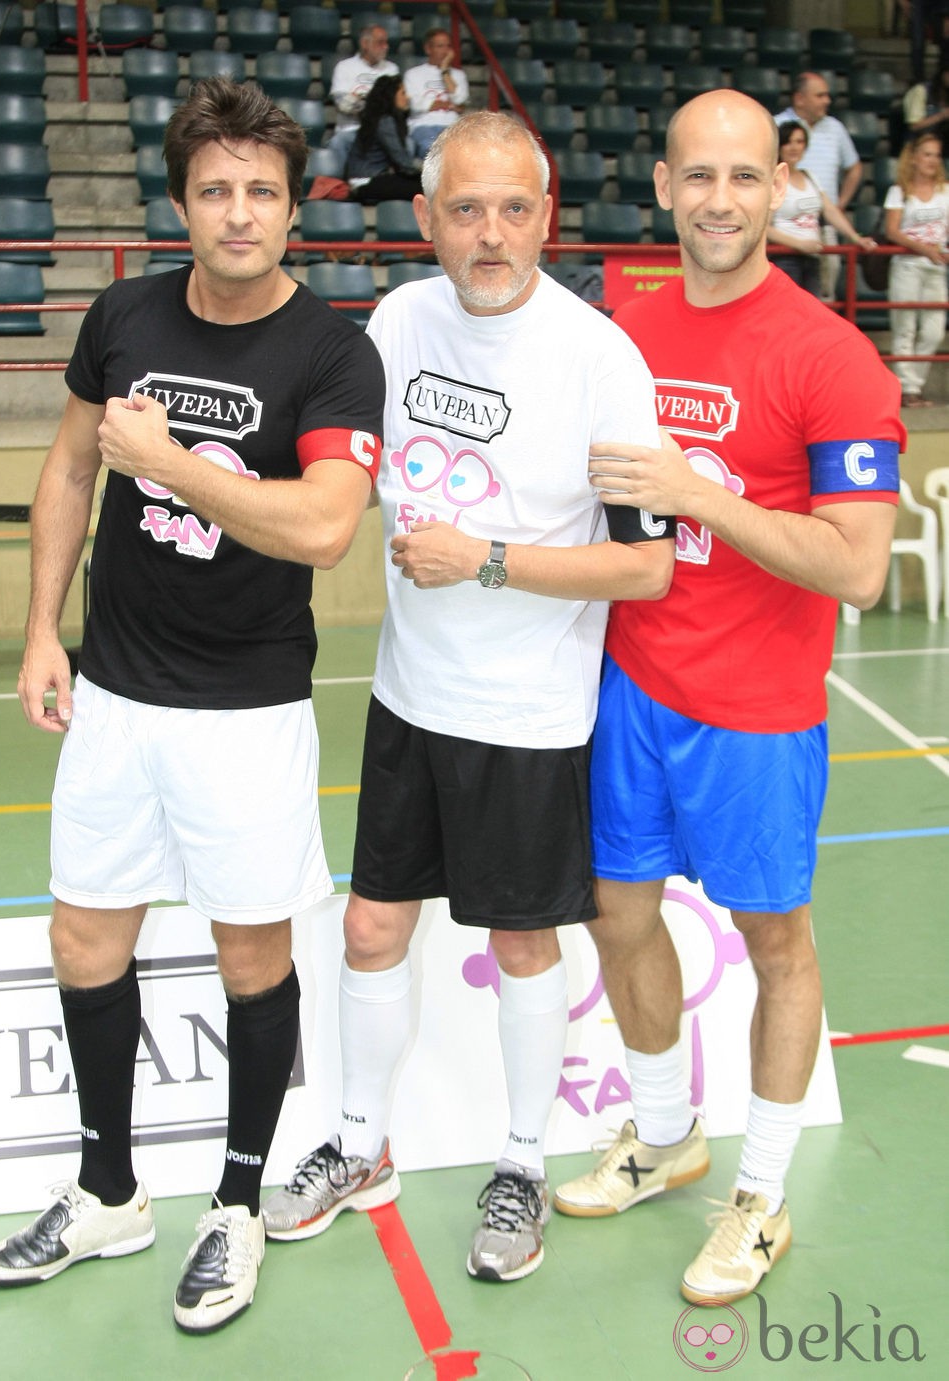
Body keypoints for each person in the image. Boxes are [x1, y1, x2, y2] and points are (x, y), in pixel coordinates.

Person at [0, 78, 385, 1334]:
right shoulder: (124, 312)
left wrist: (171, 471)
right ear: (183, 199)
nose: (239, 212)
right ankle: (108, 1191)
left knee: (248, 958)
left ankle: (239, 1204)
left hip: (246, 713)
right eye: (216, 190)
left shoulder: (329, 350)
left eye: (262, 190)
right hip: (113, 693)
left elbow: (323, 527)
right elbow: (63, 464)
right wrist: (43, 628)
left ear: (293, 203)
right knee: (83, 943)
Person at [263, 111, 675, 1284]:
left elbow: (644, 565)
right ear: (425, 218)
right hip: (409, 694)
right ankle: (356, 1143)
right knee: (368, 925)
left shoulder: (599, 357)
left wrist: (485, 558)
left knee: (519, 939)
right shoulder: (395, 322)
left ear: (546, 215)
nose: (489, 234)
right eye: (463, 209)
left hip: (529, 714)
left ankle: (520, 1161)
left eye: (512, 209)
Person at [553, 90, 905, 1307]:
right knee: (615, 909)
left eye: (744, 178)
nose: (717, 200)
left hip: (755, 709)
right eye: (696, 177)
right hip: (630, 683)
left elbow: (857, 565)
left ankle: (757, 1193)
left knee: (774, 942)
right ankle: (662, 1132)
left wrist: (702, 499)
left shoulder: (828, 355)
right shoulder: (618, 331)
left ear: (780, 189)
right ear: (660, 186)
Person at [775, 72, 863, 299]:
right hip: (783, 246)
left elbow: (853, 169)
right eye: (820, 95)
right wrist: (796, 243)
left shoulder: (834, 129)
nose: (827, 101)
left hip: (820, 232)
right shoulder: (774, 125)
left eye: (800, 142)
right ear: (800, 98)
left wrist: (850, 226)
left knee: (822, 299)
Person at [768, 120, 877, 295]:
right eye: (789, 142)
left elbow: (830, 211)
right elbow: (765, 228)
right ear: (779, 146)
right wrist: (799, 244)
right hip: (785, 258)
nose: (794, 147)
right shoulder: (773, 179)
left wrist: (855, 238)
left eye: (800, 141)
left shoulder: (810, 176)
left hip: (813, 257)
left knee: (811, 315)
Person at [883, 132, 949, 406]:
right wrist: (924, 249)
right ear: (914, 158)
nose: (932, 160)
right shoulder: (899, 191)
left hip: (936, 268)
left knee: (934, 330)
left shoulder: (946, 190)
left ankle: (915, 384)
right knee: (905, 327)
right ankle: (908, 390)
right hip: (908, 267)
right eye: (926, 154)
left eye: (936, 154)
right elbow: (892, 231)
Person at [328, 23, 399, 169]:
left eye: (386, 42)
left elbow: (394, 106)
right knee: (338, 142)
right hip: (351, 129)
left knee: (408, 143)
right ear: (365, 43)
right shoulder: (345, 67)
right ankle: (341, 189)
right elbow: (343, 104)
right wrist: (375, 104)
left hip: (382, 132)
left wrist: (359, 98)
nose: (386, 47)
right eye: (380, 42)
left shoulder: (392, 69)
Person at [345, 74, 422, 204]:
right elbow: (403, 161)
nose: (407, 97)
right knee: (427, 188)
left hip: (374, 178)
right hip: (366, 181)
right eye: (403, 93)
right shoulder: (385, 122)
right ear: (391, 96)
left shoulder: (382, 119)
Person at [404, 27, 469, 159]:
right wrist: (448, 105)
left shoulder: (458, 75)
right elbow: (414, 104)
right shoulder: (413, 74)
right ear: (428, 49)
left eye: (448, 46)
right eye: (440, 46)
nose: (445, 51)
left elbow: (460, 100)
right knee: (432, 149)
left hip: (452, 126)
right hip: (423, 125)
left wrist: (445, 70)